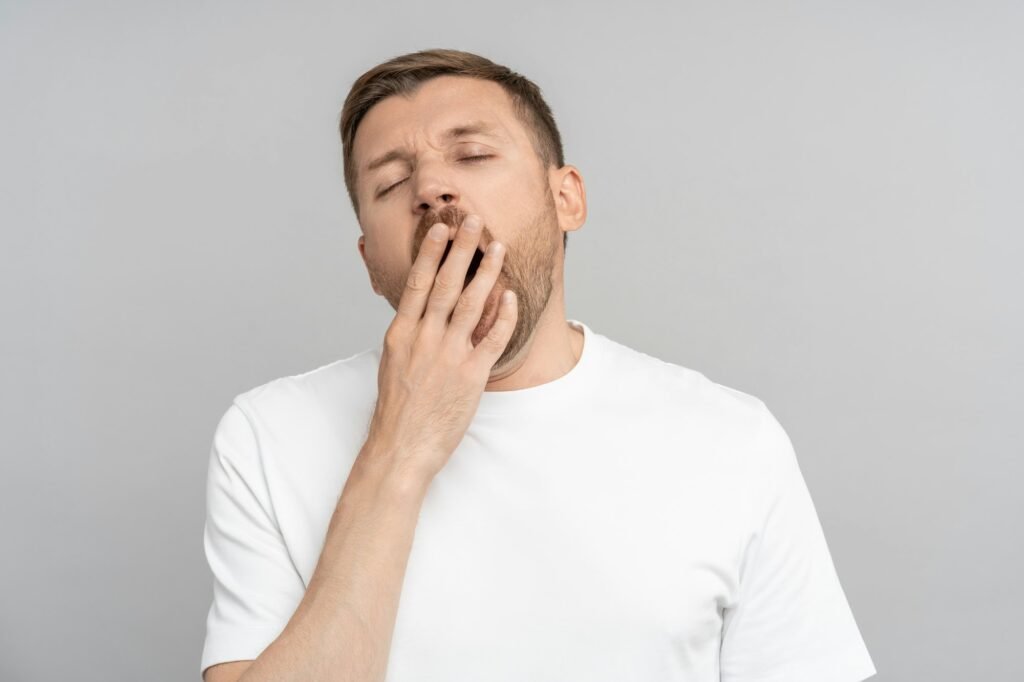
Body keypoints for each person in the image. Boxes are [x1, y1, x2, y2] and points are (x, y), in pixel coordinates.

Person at [200, 48, 877, 682]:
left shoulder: (732, 438)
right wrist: (400, 451)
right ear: (369, 258)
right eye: (392, 180)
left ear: (567, 200)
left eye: (471, 154)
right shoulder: (268, 435)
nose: (432, 188)